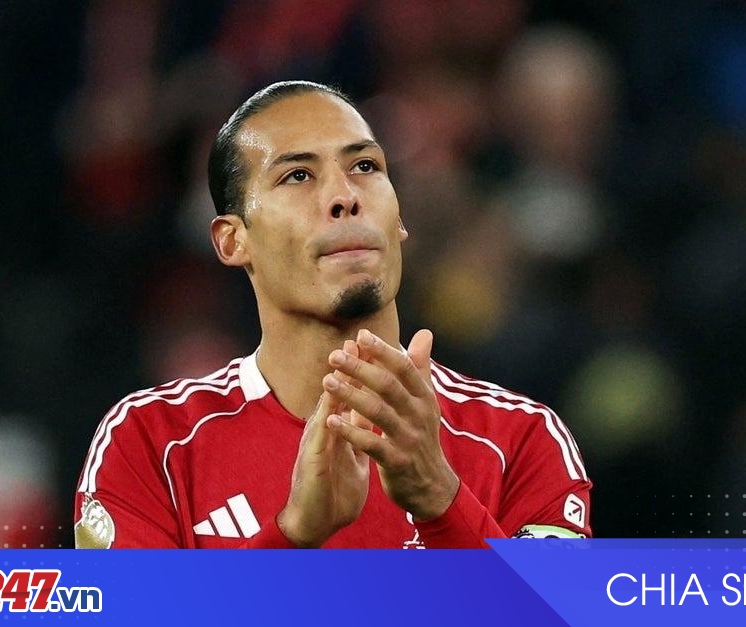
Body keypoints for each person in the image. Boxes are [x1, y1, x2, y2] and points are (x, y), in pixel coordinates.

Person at [74, 81, 592, 548]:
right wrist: (294, 534)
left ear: (399, 218)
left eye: (365, 167)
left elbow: (559, 609)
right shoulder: (151, 442)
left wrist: (440, 501)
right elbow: (126, 609)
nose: (345, 197)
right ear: (233, 241)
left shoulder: (520, 439)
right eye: (298, 175)